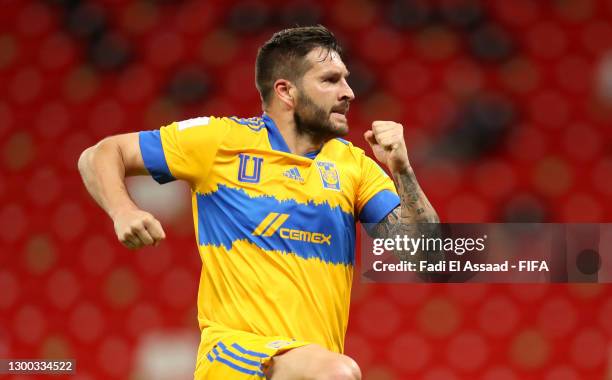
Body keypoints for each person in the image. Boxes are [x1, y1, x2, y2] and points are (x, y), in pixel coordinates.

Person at [78, 25, 438, 380]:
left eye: (346, 79)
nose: (348, 92)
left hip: (306, 368)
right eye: (330, 80)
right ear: (286, 91)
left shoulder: (354, 167)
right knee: (338, 373)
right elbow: (100, 154)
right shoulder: (220, 142)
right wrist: (123, 210)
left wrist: (402, 170)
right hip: (235, 359)